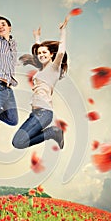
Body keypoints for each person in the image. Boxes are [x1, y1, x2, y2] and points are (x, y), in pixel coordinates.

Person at [12, 16, 69, 149]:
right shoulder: (42, 70)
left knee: (19, 142)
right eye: (39, 53)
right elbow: (40, 55)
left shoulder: (54, 68)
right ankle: (51, 132)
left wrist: (63, 31)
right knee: (17, 142)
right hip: (35, 113)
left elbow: (61, 51)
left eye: (45, 53)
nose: (41, 55)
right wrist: (37, 38)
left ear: (51, 55)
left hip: (44, 113)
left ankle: (52, 132)